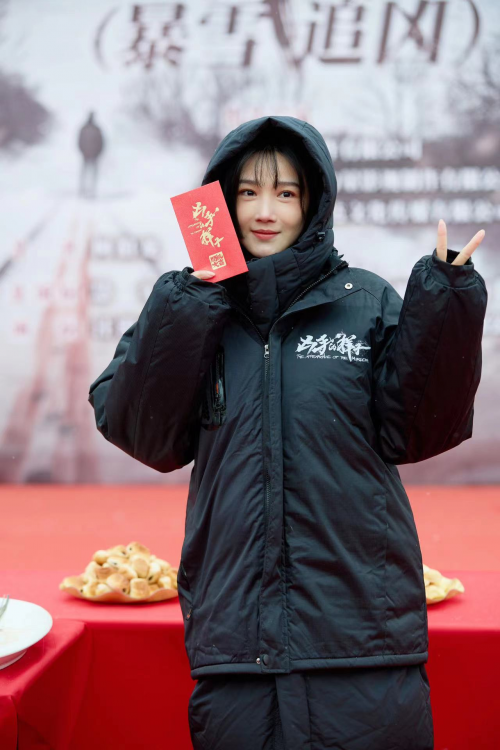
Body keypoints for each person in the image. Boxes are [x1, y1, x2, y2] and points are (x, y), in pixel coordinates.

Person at [88, 116, 488, 749]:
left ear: (314, 203)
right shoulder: (193, 308)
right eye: (247, 192)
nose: (265, 211)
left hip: (364, 637)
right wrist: (191, 303)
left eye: (285, 193)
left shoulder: (365, 302)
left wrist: (448, 305)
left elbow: (416, 432)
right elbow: (142, 434)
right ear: (223, 202)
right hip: (236, 640)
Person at [77, 111, 104, 199]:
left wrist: (98, 152)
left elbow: (101, 143)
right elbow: (80, 142)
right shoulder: (93, 129)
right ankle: (85, 189)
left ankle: (90, 189)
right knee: (87, 172)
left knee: (89, 172)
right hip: (88, 154)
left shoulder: (86, 129)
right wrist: (83, 151)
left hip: (91, 154)